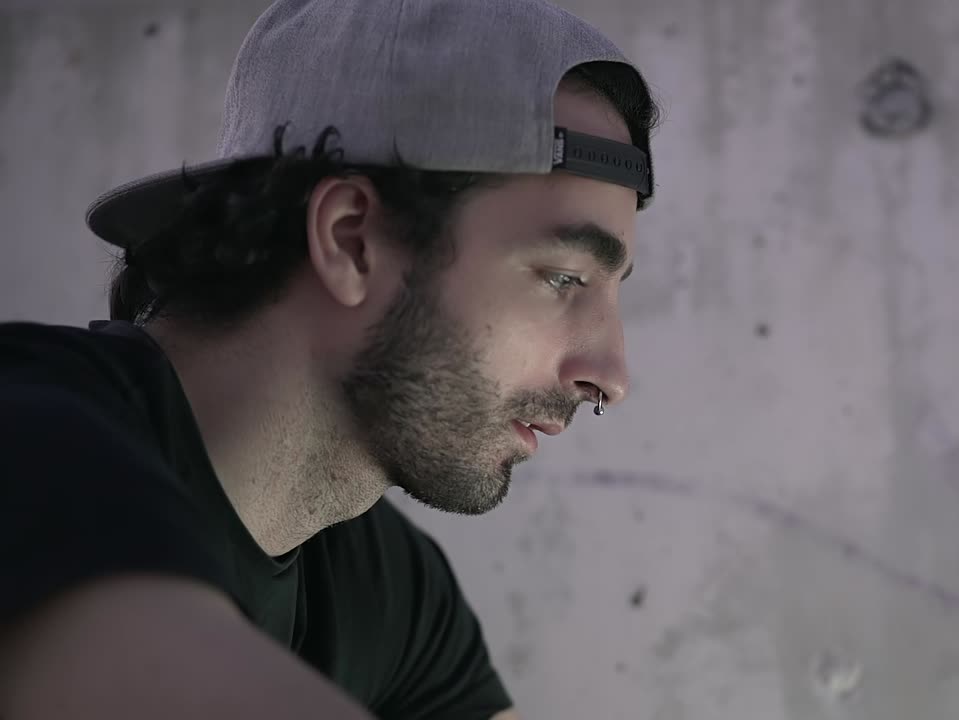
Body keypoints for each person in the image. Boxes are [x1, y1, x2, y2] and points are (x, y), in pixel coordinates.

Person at [0, 0, 661, 717]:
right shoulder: (28, 436)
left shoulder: (391, 591)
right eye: (564, 279)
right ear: (351, 240)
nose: (611, 375)